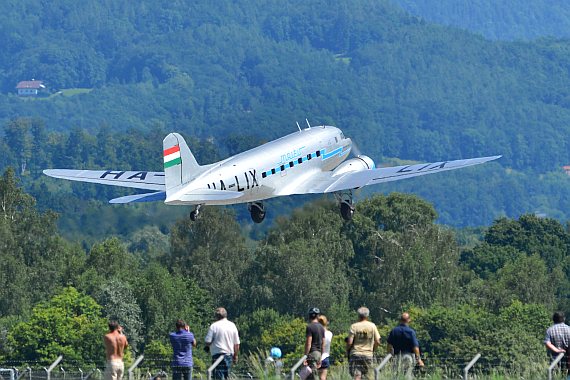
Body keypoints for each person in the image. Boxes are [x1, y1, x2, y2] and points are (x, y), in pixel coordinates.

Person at [204, 307, 240, 380]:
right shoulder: (232, 325)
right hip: (229, 355)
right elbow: (236, 344)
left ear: (216, 316)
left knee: (218, 377)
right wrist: (235, 356)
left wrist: (208, 345)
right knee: (227, 376)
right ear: (226, 315)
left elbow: (208, 341)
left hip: (217, 356)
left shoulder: (214, 326)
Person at [346, 307, 380, 380]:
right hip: (368, 354)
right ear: (367, 315)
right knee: (368, 376)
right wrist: (373, 349)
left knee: (356, 376)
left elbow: (350, 342)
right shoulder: (372, 326)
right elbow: (377, 341)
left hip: (355, 354)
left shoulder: (354, 326)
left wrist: (347, 350)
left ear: (358, 315)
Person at [387, 312, 424, 378]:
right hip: (408, 356)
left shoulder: (394, 331)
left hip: (397, 356)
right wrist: (419, 359)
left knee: (396, 376)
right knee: (407, 376)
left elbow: (389, 345)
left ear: (400, 320)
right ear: (409, 320)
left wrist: (390, 356)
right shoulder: (411, 332)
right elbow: (415, 347)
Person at [304, 307, 325, 380]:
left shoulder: (309, 327)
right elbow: (323, 344)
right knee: (311, 375)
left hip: (312, 353)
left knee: (313, 375)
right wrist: (321, 356)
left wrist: (305, 356)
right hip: (318, 353)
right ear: (318, 316)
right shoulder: (322, 327)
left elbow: (308, 343)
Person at [318, 315, 333, 380]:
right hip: (326, 357)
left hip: (317, 356)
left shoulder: (317, 334)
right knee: (323, 377)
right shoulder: (329, 333)